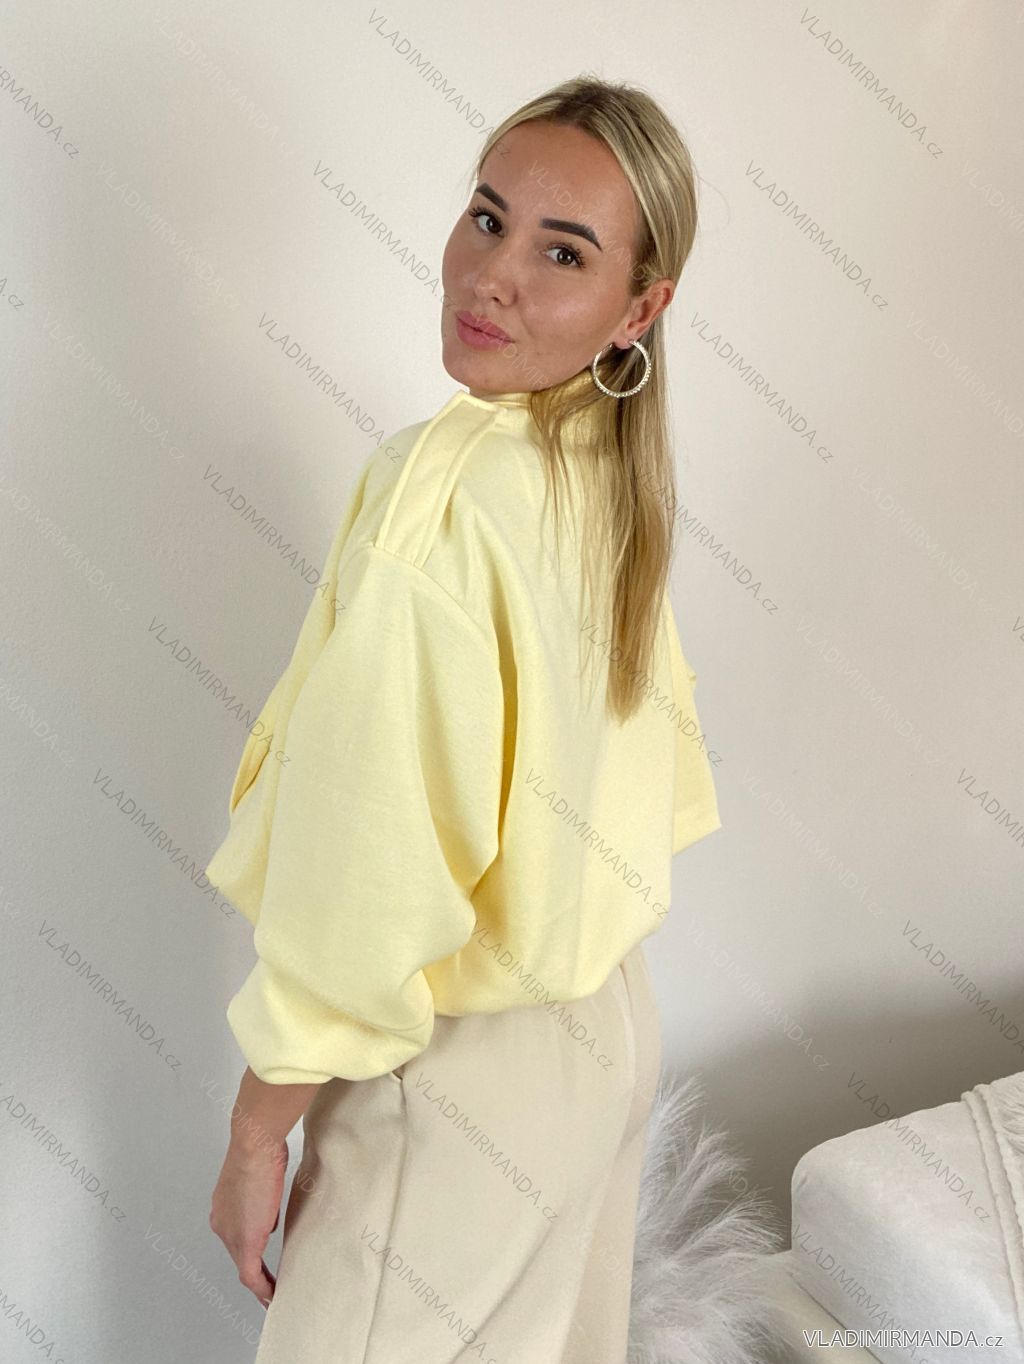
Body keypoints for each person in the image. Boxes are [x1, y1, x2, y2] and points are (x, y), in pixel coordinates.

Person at [206, 75, 722, 1364]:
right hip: (604, 1039)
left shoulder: (442, 500)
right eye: (488, 219)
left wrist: (259, 1131)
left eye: (564, 252)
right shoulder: (606, 477)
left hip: (457, 1081)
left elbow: (375, 874)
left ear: (641, 307)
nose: (492, 277)